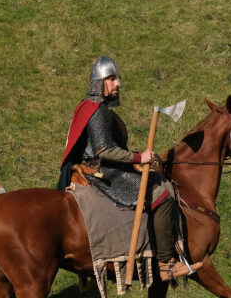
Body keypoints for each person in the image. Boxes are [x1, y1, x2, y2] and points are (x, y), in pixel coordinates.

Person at [59, 57, 203, 282]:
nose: (118, 84)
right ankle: (166, 264)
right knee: (161, 195)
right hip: (104, 172)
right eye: (112, 79)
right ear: (99, 82)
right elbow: (103, 151)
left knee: (157, 178)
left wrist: (138, 159)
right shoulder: (98, 110)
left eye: (117, 79)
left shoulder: (91, 107)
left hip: (106, 166)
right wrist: (138, 156)